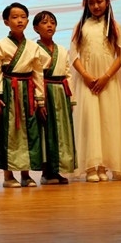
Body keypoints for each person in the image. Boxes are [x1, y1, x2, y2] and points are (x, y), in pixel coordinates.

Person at [70, 0, 121, 182]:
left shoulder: (114, 26)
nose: (96, 6)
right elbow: (73, 55)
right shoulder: (80, 27)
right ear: (86, 5)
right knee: (90, 121)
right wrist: (86, 76)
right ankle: (92, 166)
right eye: (91, 3)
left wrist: (106, 76)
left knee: (107, 121)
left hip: (108, 80)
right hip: (87, 81)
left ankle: (105, 165)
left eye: (99, 2)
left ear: (107, 2)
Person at [0, 2, 47, 188]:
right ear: (6, 22)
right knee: (9, 133)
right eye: (14, 17)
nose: (19, 20)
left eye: (23, 17)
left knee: (28, 133)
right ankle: (8, 175)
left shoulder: (33, 46)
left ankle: (26, 174)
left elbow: (38, 73)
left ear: (28, 21)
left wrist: (40, 98)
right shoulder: (1, 45)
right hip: (8, 91)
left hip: (27, 90)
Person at [33, 10, 76, 185]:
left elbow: (68, 74)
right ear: (36, 28)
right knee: (46, 132)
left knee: (61, 133)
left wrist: (71, 98)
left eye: (52, 22)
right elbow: (36, 75)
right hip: (45, 91)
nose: (49, 25)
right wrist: (40, 100)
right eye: (44, 23)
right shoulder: (34, 49)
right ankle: (46, 172)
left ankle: (57, 170)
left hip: (60, 92)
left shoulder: (62, 50)